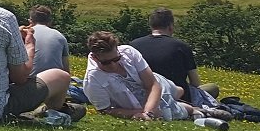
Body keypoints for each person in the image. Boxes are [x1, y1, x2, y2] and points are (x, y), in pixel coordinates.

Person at [82, 31, 217, 121]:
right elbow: (105, 110)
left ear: (118, 50)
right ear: (94, 57)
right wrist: (138, 113)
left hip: (158, 83)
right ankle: (196, 110)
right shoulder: (93, 80)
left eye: (116, 59)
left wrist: (148, 112)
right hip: (137, 102)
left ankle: (187, 97)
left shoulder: (129, 52)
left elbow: (152, 84)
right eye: (106, 63)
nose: (112, 65)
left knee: (178, 91)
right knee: (171, 111)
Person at [129, 8, 220, 107]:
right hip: (179, 97)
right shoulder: (181, 46)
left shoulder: (134, 45)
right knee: (213, 88)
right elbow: (195, 82)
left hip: (143, 96)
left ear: (151, 26)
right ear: (171, 26)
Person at [28, 5, 70, 75]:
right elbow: (66, 69)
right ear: (50, 21)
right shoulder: (60, 36)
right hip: (55, 81)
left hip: (30, 81)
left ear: (30, 21)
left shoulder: (25, 35)